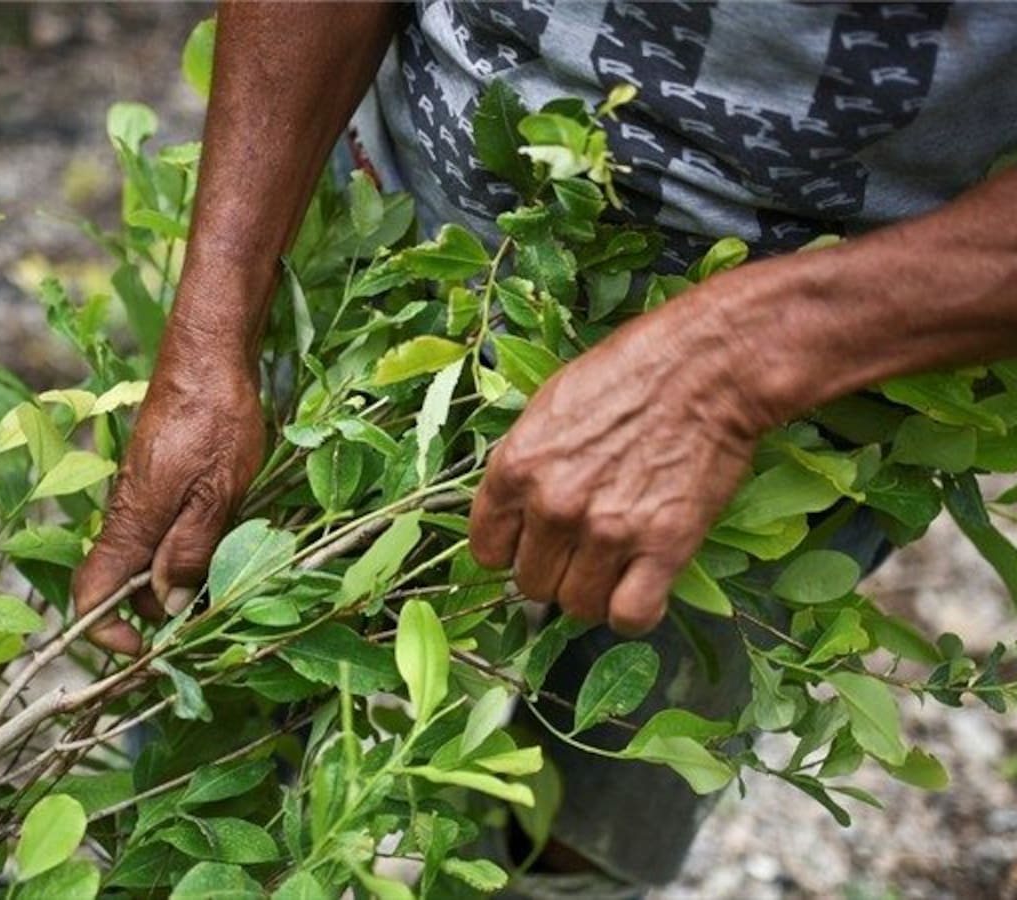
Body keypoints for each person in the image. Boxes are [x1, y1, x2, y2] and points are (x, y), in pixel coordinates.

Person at [71, 2, 1017, 895]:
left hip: (817, 394)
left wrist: (736, 364)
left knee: (590, 811)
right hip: (387, 251)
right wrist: (207, 342)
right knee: (218, 695)